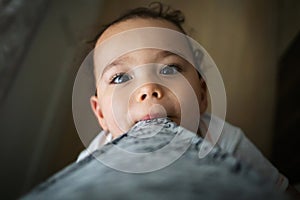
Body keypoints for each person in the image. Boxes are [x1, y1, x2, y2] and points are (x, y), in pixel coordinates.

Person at [77, 2, 290, 193]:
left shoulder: (225, 141)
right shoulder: (94, 160)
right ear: (101, 113)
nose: (148, 89)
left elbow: (278, 190)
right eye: (120, 77)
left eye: (170, 69)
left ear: (201, 95)